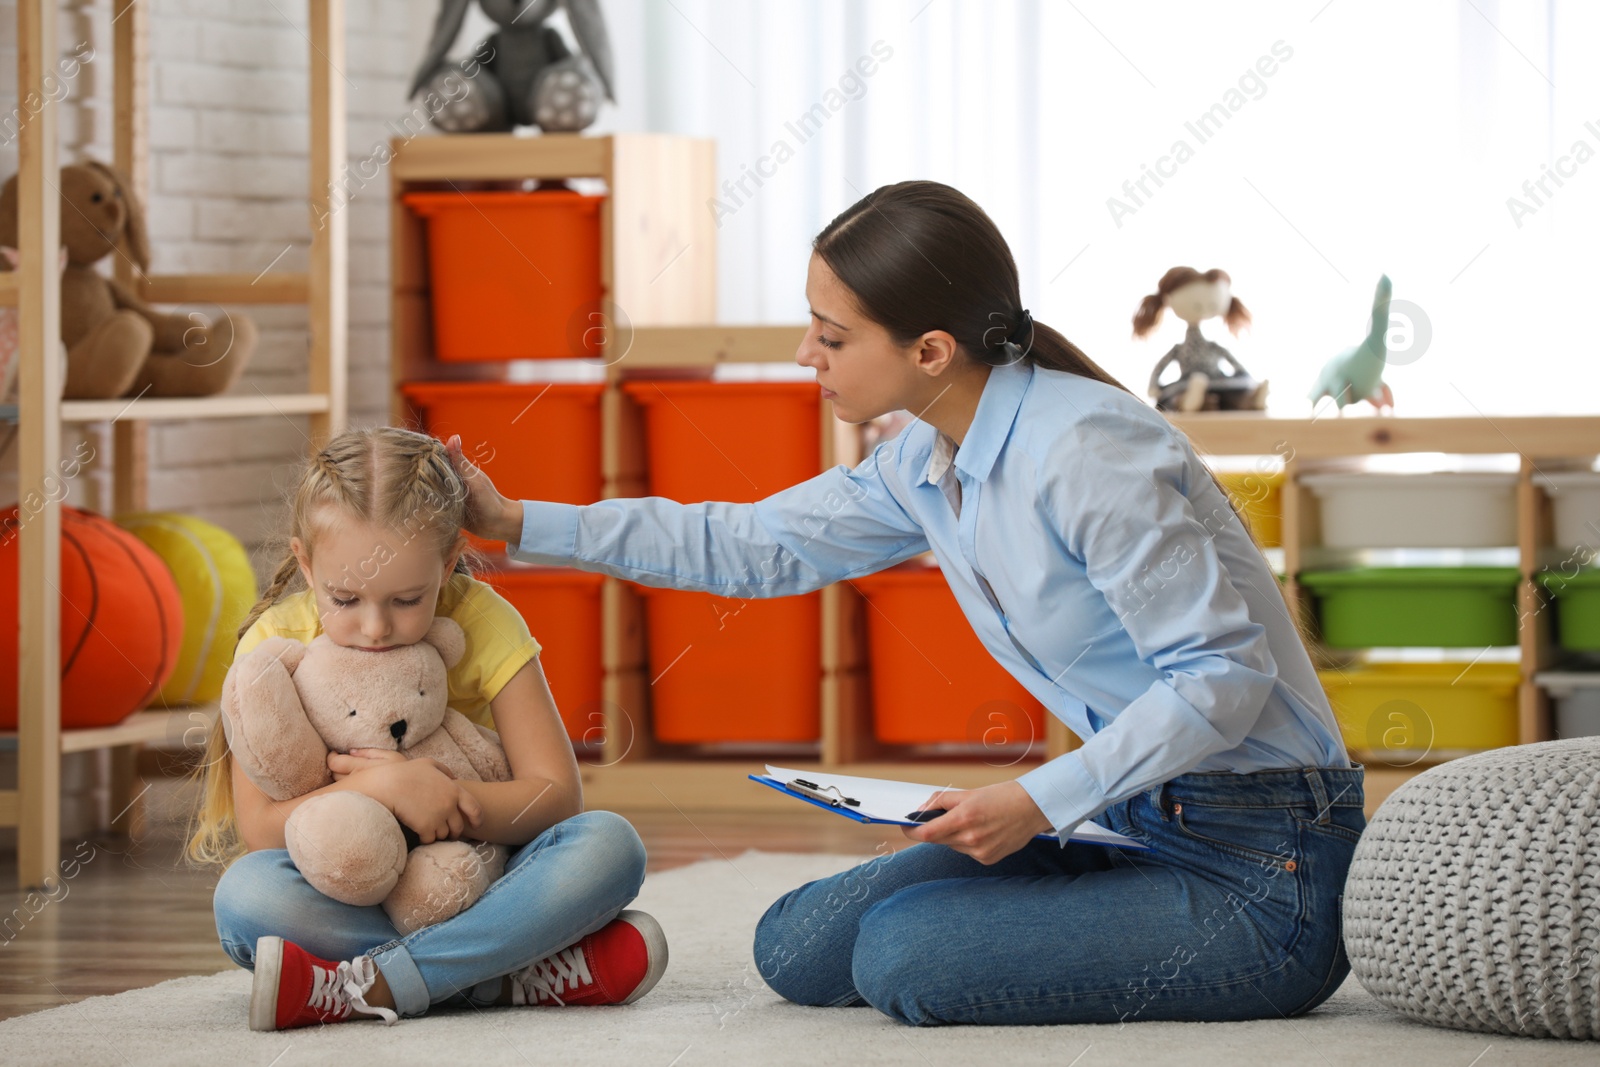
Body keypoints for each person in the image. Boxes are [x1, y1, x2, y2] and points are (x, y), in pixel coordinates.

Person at [446, 179, 1366, 1027]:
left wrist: (1037, 800)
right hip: (1130, 816)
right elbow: (748, 543)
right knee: (797, 947)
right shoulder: (923, 460)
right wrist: (516, 520)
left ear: (930, 351)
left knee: (901, 954)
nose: (807, 354)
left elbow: (1220, 678)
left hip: (1265, 863)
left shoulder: (1085, 454)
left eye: (831, 335)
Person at [186, 426, 667, 1031]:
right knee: (246, 899)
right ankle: (502, 974)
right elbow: (260, 828)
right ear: (306, 565)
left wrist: (450, 800)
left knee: (609, 846)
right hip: (349, 885)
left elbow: (556, 797)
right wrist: (384, 790)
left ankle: (379, 983)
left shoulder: (484, 621)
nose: (375, 626)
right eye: (345, 598)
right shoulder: (274, 644)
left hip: (485, 871)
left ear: (445, 566)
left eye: (407, 600)